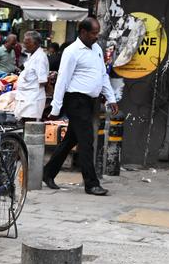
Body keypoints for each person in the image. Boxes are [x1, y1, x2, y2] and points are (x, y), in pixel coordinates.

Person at [43, 18, 118, 196]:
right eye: (93, 33)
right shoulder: (72, 51)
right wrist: (55, 108)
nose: (96, 36)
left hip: (90, 102)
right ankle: (91, 184)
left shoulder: (97, 49)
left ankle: (48, 173)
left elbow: (102, 75)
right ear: (83, 32)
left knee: (71, 140)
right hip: (75, 100)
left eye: (97, 33)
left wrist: (111, 98)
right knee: (86, 142)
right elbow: (62, 80)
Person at [15, 31, 49, 122]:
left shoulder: (40, 57)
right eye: (24, 42)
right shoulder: (31, 55)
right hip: (26, 97)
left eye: (27, 43)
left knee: (30, 126)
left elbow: (43, 81)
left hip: (33, 99)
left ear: (36, 43)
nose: (24, 45)